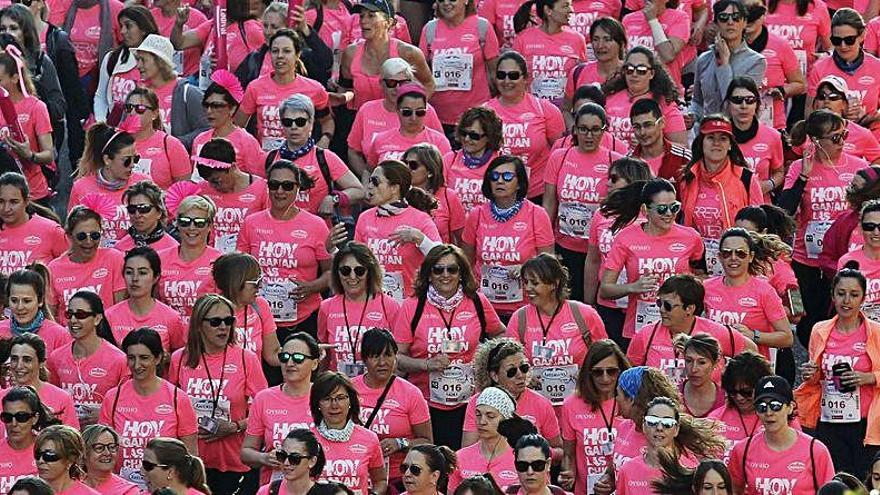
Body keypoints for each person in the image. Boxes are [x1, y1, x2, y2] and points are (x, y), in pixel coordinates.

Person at [393, 244, 505, 449]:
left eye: (452, 269)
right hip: (425, 404)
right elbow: (397, 357)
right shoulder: (412, 306)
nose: (445, 275)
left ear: (461, 274)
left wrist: (485, 364)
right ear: (428, 274)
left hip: (469, 403)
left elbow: (501, 336)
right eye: (438, 269)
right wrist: (427, 364)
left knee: (463, 463)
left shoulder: (477, 301)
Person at [779, 109, 870, 347]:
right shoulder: (799, 168)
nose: (842, 142)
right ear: (816, 141)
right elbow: (784, 213)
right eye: (835, 138)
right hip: (807, 260)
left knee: (840, 320)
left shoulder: (858, 167)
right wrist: (804, 177)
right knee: (809, 324)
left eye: (844, 135)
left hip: (842, 258)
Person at [169, 294, 268, 495]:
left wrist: (234, 427)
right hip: (193, 463)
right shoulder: (179, 358)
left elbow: (264, 411)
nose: (223, 327)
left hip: (234, 461)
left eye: (229, 321)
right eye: (215, 322)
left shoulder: (245, 358)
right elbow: (169, 406)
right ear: (198, 325)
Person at [797, 268, 880, 478]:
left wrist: (868, 378)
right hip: (829, 420)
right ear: (832, 295)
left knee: (863, 482)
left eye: (854, 295)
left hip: (864, 423)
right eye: (841, 293)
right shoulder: (819, 330)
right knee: (835, 481)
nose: (846, 300)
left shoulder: (876, 332)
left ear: (863, 298)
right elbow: (817, 377)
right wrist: (810, 373)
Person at [599, 179, 704, 341]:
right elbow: (605, 290)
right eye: (662, 209)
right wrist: (634, 287)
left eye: (674, 207)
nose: (669, 214)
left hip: (681, 328)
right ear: (644, 209)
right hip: (640, 328)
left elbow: (703, 278)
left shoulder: (691, 237)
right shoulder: (626, 238)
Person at [236, 159, 332, 334]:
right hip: (259, 317)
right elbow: (238, 271)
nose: (280, 191)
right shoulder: (251, 223)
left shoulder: (316, 225)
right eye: (274, 185)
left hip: (304, 318)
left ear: (298, 188)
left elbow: (330, 271)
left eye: (287, 186)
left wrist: (313, 287)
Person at [99, 328, 198, 487]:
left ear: (158, 358)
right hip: (122, 487)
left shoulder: (177, 398)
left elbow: (191, 455)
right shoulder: (113, 397)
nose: (137, 365)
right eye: (131, 358)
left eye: (144, 358)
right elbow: (102, 449)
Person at [543, 103, 621, 301]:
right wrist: (548, 248)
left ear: (605, 130)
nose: (589, 135)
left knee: (592, 306)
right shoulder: (560, 157)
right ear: (575, 130)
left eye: (596, 129)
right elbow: (549, 204)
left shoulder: (615, 161)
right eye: (583, 129)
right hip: (564, 248)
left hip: (598, 251)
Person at [461, 156, 554, 320]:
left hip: (524, 306)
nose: (500, 181)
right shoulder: (476, 215)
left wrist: (526, 269)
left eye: (507, 177)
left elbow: (548, 264)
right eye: (494, 176)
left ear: (519, 183)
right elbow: (466, 262)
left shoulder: (537, 214)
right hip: (484, 306)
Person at [508, 253, 607, 405]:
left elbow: (607, 357)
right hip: (535, 406)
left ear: (554, 283)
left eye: (534, 283)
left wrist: (588, 374)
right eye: (525, 282)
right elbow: (508, 363)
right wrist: (524, 375)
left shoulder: (584, 314)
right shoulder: (519, 318)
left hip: (581, 403)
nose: (528, 288)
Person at [625, 275, 757, 386]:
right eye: (659, 303)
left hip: (709, 411)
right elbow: (629, 375)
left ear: (689, 308)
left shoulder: (716, 332)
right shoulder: (646, 334)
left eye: (668, 305)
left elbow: (752, 352)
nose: (661, 310)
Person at [679, 115, 764, 276]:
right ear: (701, 142)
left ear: (731, 145)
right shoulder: (687, 178)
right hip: (698, 263)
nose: (716, 143)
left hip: (736, 260)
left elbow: (758, 229)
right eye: (711, 137)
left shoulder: (746, 179)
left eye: (723, 138)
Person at [352, 328, 432, 492]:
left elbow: (427, 442)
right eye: (375, 356)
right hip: (358, 474)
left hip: (398, 477)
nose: (382, 362)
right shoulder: (349, 389)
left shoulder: (411, 393)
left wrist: (400, 443)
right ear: (364, 359)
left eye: (388, 355)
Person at [583, 157, 653, 346]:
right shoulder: (602, 214)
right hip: (608, 304)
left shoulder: (650, 216)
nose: (608, 183)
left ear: (632, 181)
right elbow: (593, 260)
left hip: (642, 305)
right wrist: (589, 304)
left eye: (614, 179)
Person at [729, 375, 836, 494]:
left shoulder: (815, 450)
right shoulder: (743, 450)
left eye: (776, 406)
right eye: (762, 407)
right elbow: (734, 491)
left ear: (790, 407)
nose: (769, 413)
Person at [704, 227, 794, 366]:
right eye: (727, 253)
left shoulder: (765, 291)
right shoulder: (707, 287)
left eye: (740, 253)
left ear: (751, 257)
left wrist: (753, 335)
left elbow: (787, 338)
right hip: (715, 370)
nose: (733, 258)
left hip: (751, 371)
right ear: (720, 257)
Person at [354, 160, 442, 301]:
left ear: (394, 188)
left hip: (409, 303)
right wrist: (332, 249)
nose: (369, 186)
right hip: (374, 303)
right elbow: (355, 262)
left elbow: (442, 258)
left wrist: (420, 239)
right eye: (370, 180)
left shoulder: (420, 219)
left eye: (375, 181)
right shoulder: (365, 218)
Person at [263, 94, 363, 216]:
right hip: (279, 230)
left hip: (319, 230)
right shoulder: (270, 158)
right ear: (282, 125)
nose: (294, 127)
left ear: (311, 123)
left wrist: (333, 199)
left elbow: (359, 190)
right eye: (288, 122)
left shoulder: (324, 157)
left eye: (300, 122)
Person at [237, 29, 334, 152]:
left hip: (302, 162)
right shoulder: (255, 87)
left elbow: (327, 121)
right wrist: (252, 149)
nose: (280, 56)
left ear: (297, 54)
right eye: (275, 51)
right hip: (266, 161)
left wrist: (325, 139)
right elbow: (238, 126)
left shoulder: (315, 89)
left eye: (287, 51)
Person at [484, 51, 565, 200]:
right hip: (498, 192)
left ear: (526, 79)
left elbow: (560, 155)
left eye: (513, 75)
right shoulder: (484, 112)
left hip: (537, 193)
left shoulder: (546, 110)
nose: (507, 81)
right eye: (501, 75)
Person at [347, 58, 445, 179]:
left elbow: (441, 153)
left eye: (404, 82)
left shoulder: (425, 110)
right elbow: (353, 151)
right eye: (391, 83)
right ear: (381, 84)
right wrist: (372, 181)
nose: (398, 88)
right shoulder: (366, 110)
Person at [241, 332, 318, 483]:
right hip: (274, 486)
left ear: (314, 363)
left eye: (298, 358)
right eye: (284, 357)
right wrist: (264, 457)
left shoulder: (324, 396)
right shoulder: (264, 398)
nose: (290, 363)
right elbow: (246, 452)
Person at [460, 338, 561, 451]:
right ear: (494, 376)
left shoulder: (542, 403)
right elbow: (467, 451)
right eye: (511, 371)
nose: (520, 375)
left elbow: (559, 450)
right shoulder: (477, 402)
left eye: (524, 368)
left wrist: (536, 449)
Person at [46, 291, 129, 427]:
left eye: (80, 315)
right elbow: (53, 400)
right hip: (67, 436)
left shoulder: (118, 359)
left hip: (102, 438)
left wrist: (104, 413)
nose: (73, 320)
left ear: (97, 319)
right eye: (69, 314)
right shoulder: (56, 357)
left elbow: (127, 406)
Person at [559, 340, 631, 495]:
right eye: (598, 372)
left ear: (621, 371)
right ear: (588, 373)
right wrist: (568, 474)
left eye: (611, 371)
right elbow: (568, 455)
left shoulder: (631, 402)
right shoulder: (571, 405)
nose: (605, 378)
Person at [336, 0, 434, 111]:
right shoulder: (350, 53)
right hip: (361, 120)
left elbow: (429, 84)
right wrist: (340, 99)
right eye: (362, 16)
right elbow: (345, 88)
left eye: (371, 16)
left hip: (398, 123)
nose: (363, 21)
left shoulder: (408, 53)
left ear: (389, 22)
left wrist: (412, 111)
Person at [318, 243, 400, 375]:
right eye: (345, 270)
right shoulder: (326, 307)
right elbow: (325, 355)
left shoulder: (390, 306)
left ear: (370, 272)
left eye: (359, 271)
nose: (352, 277)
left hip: (376, 386)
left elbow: (399, 355)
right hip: (339, 388)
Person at [616, 397, 726, 494]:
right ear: (644, 426)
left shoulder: (691, 469)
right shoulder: (627, 470)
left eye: (667, 423)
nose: (659, 428)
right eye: (652, 421)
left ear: (676, 430)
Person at [419, 0, 499, 131]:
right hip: (439, 117)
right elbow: (421, 72)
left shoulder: (482, 27)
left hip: (476, 116)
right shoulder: (430, 29)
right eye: (441, 0)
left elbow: (494, 73)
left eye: (452, 0)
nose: (446, 3)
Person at [68, 123, 150, 248]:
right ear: (107, 160)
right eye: (127, 160)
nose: (133, 165)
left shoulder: (143, 184)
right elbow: (71, 232)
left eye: (136, 159)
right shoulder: (81, 188)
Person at [310, 372, 387, 495]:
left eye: (340, 398)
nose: (334, 405)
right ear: (317, 404)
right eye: (327, 399)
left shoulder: (369, 438)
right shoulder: (308, 440)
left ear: (350, 401)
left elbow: (381, 481)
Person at [47, 206, 126, 323]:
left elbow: (120, 308)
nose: (89, 242)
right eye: (81, 236)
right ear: (69, 236)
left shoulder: (114, 258)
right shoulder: (53, 268)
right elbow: (51, 315)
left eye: (95, 236)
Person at [690, 0, 766, 121]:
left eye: (736, 17)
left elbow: (737, 103)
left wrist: (724, 64)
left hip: (737, 132)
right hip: (708, 131)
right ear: (716, 23)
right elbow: (697, 101)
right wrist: (692, 115)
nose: (730, 22)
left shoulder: (756, 61)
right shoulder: (704, 59)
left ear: (744, 22)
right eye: (724, 17)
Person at [132, 34, 208, 149]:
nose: (138, 65)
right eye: (138, 60)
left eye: (143, 60)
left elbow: (206, 130)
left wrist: (173, 144)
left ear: (160, 62)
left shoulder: (187, 93)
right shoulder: (137, 93)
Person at [194, 138, 269, 254]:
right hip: (212, 257)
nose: (213, 186)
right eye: (208, 181)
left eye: (217, 181)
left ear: (233, 167)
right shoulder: (201, 190)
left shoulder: (261, 189)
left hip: (248, 259)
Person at [603, 47, 687, 148]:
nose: (634, 74)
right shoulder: (609, 96)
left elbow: (682, 147)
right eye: (629, 69)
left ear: (652, 74)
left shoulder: (664, 104)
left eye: (641, 70)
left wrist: (652, 144)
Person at [447, 387, 528, 491]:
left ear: (506, 420)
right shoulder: (460, 457)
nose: (482, 421)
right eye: (478, 415)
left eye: (490, 416)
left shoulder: (522, 457)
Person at [106, 247, 186, 351]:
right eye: (129, 272)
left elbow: (179, 359)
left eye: (142, 273)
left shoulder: (172, 318)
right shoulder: (109, 316)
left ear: (156, 277)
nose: (135, 279)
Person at [510, 0, 587, 107]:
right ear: (548, 10)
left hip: (565, 111)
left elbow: (581, 78)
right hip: (532, 110)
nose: (571, 10)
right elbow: (512, 78)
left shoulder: (577, 40)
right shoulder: (523, 39)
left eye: (570, 5)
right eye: (565, 6)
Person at [157, 194, 222, 321]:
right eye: (185, 222)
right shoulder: (160, 259)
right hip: (168, 332)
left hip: (203, 335)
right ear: (177, 224)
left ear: (210, 226)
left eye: (199, 223)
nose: (192, 228)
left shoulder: (219, 261)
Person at [807, 9, 880, 120]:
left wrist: (870, 117)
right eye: (836, 40)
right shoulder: (820, 68)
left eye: (849, 40)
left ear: (862, 35)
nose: (843, 46)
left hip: (872, 134)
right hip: (832, 135)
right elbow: (809, 115)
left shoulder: (877, 67)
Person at [211, 252, 281, 366]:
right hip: (219, 381)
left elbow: (272, 354)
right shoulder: (209, 311)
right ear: (236, 283)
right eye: (256, 283)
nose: (260, 287)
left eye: (261, 280)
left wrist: (304, 354)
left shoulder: (260, 306)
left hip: (254, 380)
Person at [724, 77, 786, 204]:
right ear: (728, 104)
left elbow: (779, 172)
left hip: (761, 209)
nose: (744, 106)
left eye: (750, 100)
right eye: (737, 100)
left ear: (757, 104)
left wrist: (768, 185)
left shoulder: (773, 136)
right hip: (725, 205)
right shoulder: (718, 136)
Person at [192, 70, 264, 177]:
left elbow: (257, 181)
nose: (209, 111)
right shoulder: (200, 139)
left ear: (232, 108)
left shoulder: (247, 142)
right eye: (206, 105)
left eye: (216, 106)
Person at [93, 6, 159, 122]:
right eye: (121, 26)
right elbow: (100, 96)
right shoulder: (111, 59)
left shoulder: (159, 61)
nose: (122, 31)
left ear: (144, 29)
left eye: (128, 26)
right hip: (115, 131)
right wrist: (102, 123)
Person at [364, 83, 452, 169]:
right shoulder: (381, 139)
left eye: (420, 112)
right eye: (407, 112)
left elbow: (446, 178)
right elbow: (369, 171)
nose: (413, 118)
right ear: (397, 111)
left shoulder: (439, 142)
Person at [122, 88, 193, 189]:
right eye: (129, 107)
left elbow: (184, 189)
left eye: (140, 108)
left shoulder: (171, 144)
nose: (132, 113)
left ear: (154, 114)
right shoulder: (116, 141)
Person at [820, 166, 880, 279]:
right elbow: (826, 258)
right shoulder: (844, 220)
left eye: (854, 187)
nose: (849, 190)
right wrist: (846, 274)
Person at [804, 75, 880, 165]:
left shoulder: (863, 134)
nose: (827, 101)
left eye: (833, 97)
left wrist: (865, 177)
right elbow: (791, 161)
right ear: (815, 103)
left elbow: (878, 160)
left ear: (844, 104)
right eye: (821, 96)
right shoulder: (805, 130)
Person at [6, 333, 78, 427]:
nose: (19, 366)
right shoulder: (1, 397)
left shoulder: (62, 398)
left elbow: (71, 440)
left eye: (27, 360)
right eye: (14, 359)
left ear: (41, 363)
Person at [0, 172, 65, 274]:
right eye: (1, 201)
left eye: (14, 202)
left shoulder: (51, 230)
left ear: (26, 201)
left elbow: (71, 267)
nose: (6, 208)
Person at [707, 351, 774, 450]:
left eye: (746, 392)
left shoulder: (781, 418)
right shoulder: (715, 419)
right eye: (732, 391)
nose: (739, 398)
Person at [443, 107, 503, 214]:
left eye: (474, 135)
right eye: (463, 133)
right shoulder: (449, 160)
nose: (466, 139)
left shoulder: (501, 163)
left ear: (489, 136)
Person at [563, 17, 626, 120]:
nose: (600, 45)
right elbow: (566, 110)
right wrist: (574, 129)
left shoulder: (631, 73)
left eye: (607, 40)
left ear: (621, 44)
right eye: (596, 39)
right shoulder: (578, 72)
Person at [404, 143, 466, 244]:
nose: (407, 168)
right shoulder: (396, 194)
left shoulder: (449, 197)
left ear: (430, 171)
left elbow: (461, 240)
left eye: (413, 165)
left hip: (436, 257)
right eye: (404, 163)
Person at [0, 387, 60, 489]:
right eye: (8, 417)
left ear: (35, 418)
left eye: (21, 417)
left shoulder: (51, 450)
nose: (14, 424)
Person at [0, 267, 70, 355]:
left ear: (40, 301)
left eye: (27, 301)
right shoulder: (1, 330)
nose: (20, 307)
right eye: (14, 300)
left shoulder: (60, 335)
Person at [627, 99, 690, 183]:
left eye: (648, 125)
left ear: (662, 123)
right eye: (637, 127)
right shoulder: (626, 164)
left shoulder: (684, 158)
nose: (642, 132)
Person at [839, 200, 880, 321]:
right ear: (861, 228)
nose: (876, 232)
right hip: (860, 326)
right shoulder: (847, 261)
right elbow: (843, 303)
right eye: (869, 226)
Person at [254, 428, 325, 495]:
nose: (286, 463)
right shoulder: (266, 492)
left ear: (312, 461)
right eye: (282, 456)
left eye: (294, 458)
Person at [33, 425, 99, 494]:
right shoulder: (25, 491)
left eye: (49, 455)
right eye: (38, 454)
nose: (41, 460)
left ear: (71, 460)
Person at [115, 181, 179, 252]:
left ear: (159, 212)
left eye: (144, 208)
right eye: (132, 209)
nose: (137, 215)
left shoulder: (173, 249)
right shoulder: (120, 248)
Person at [675, 334, 725, 418]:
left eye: (702, 362)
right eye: (689, 361)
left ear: (715, 363)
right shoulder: (672, 395)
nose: (694, 369)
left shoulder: (726, 400)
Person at [80, 424, 139, 495]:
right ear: (84, 452)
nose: (107, 453)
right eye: (99, 448)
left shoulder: (128, 490)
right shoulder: (70, 486)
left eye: (112, 447)